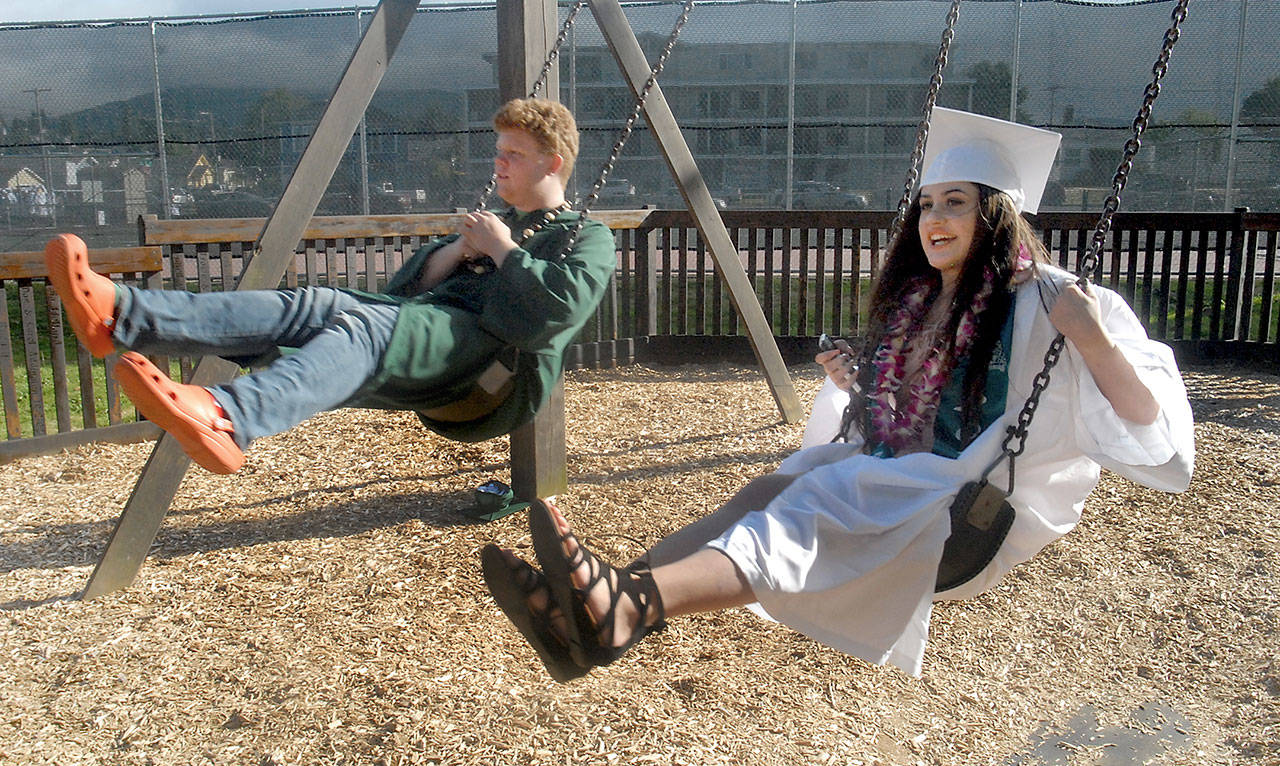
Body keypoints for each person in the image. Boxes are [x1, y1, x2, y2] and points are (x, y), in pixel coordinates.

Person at [480, 107, 1195, 683]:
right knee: (768, 488)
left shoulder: (1050, 300)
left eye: (956, 203)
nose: (934, 219)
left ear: (997, 214)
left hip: (962, 494)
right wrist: (856, 380)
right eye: (926, 205)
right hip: (899, 463)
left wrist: (1094, 341)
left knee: (815, 502)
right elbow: (906, 406)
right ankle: (593, 609)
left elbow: (1154, 436)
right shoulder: (923, 300)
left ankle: (628, 604)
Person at [45, 98, 616, 474]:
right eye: (498, 152)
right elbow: (403, 293)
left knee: (365, 327)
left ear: (552, 164)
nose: (499, 165)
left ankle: (229, 417)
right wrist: (458, 251)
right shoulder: (495, 223)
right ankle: (120, 315)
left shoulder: (586, 236)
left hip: (491, 375)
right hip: (433, 336)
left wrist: (503, 250)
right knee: (315, 304)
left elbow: (556, 314)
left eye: (513, 155)